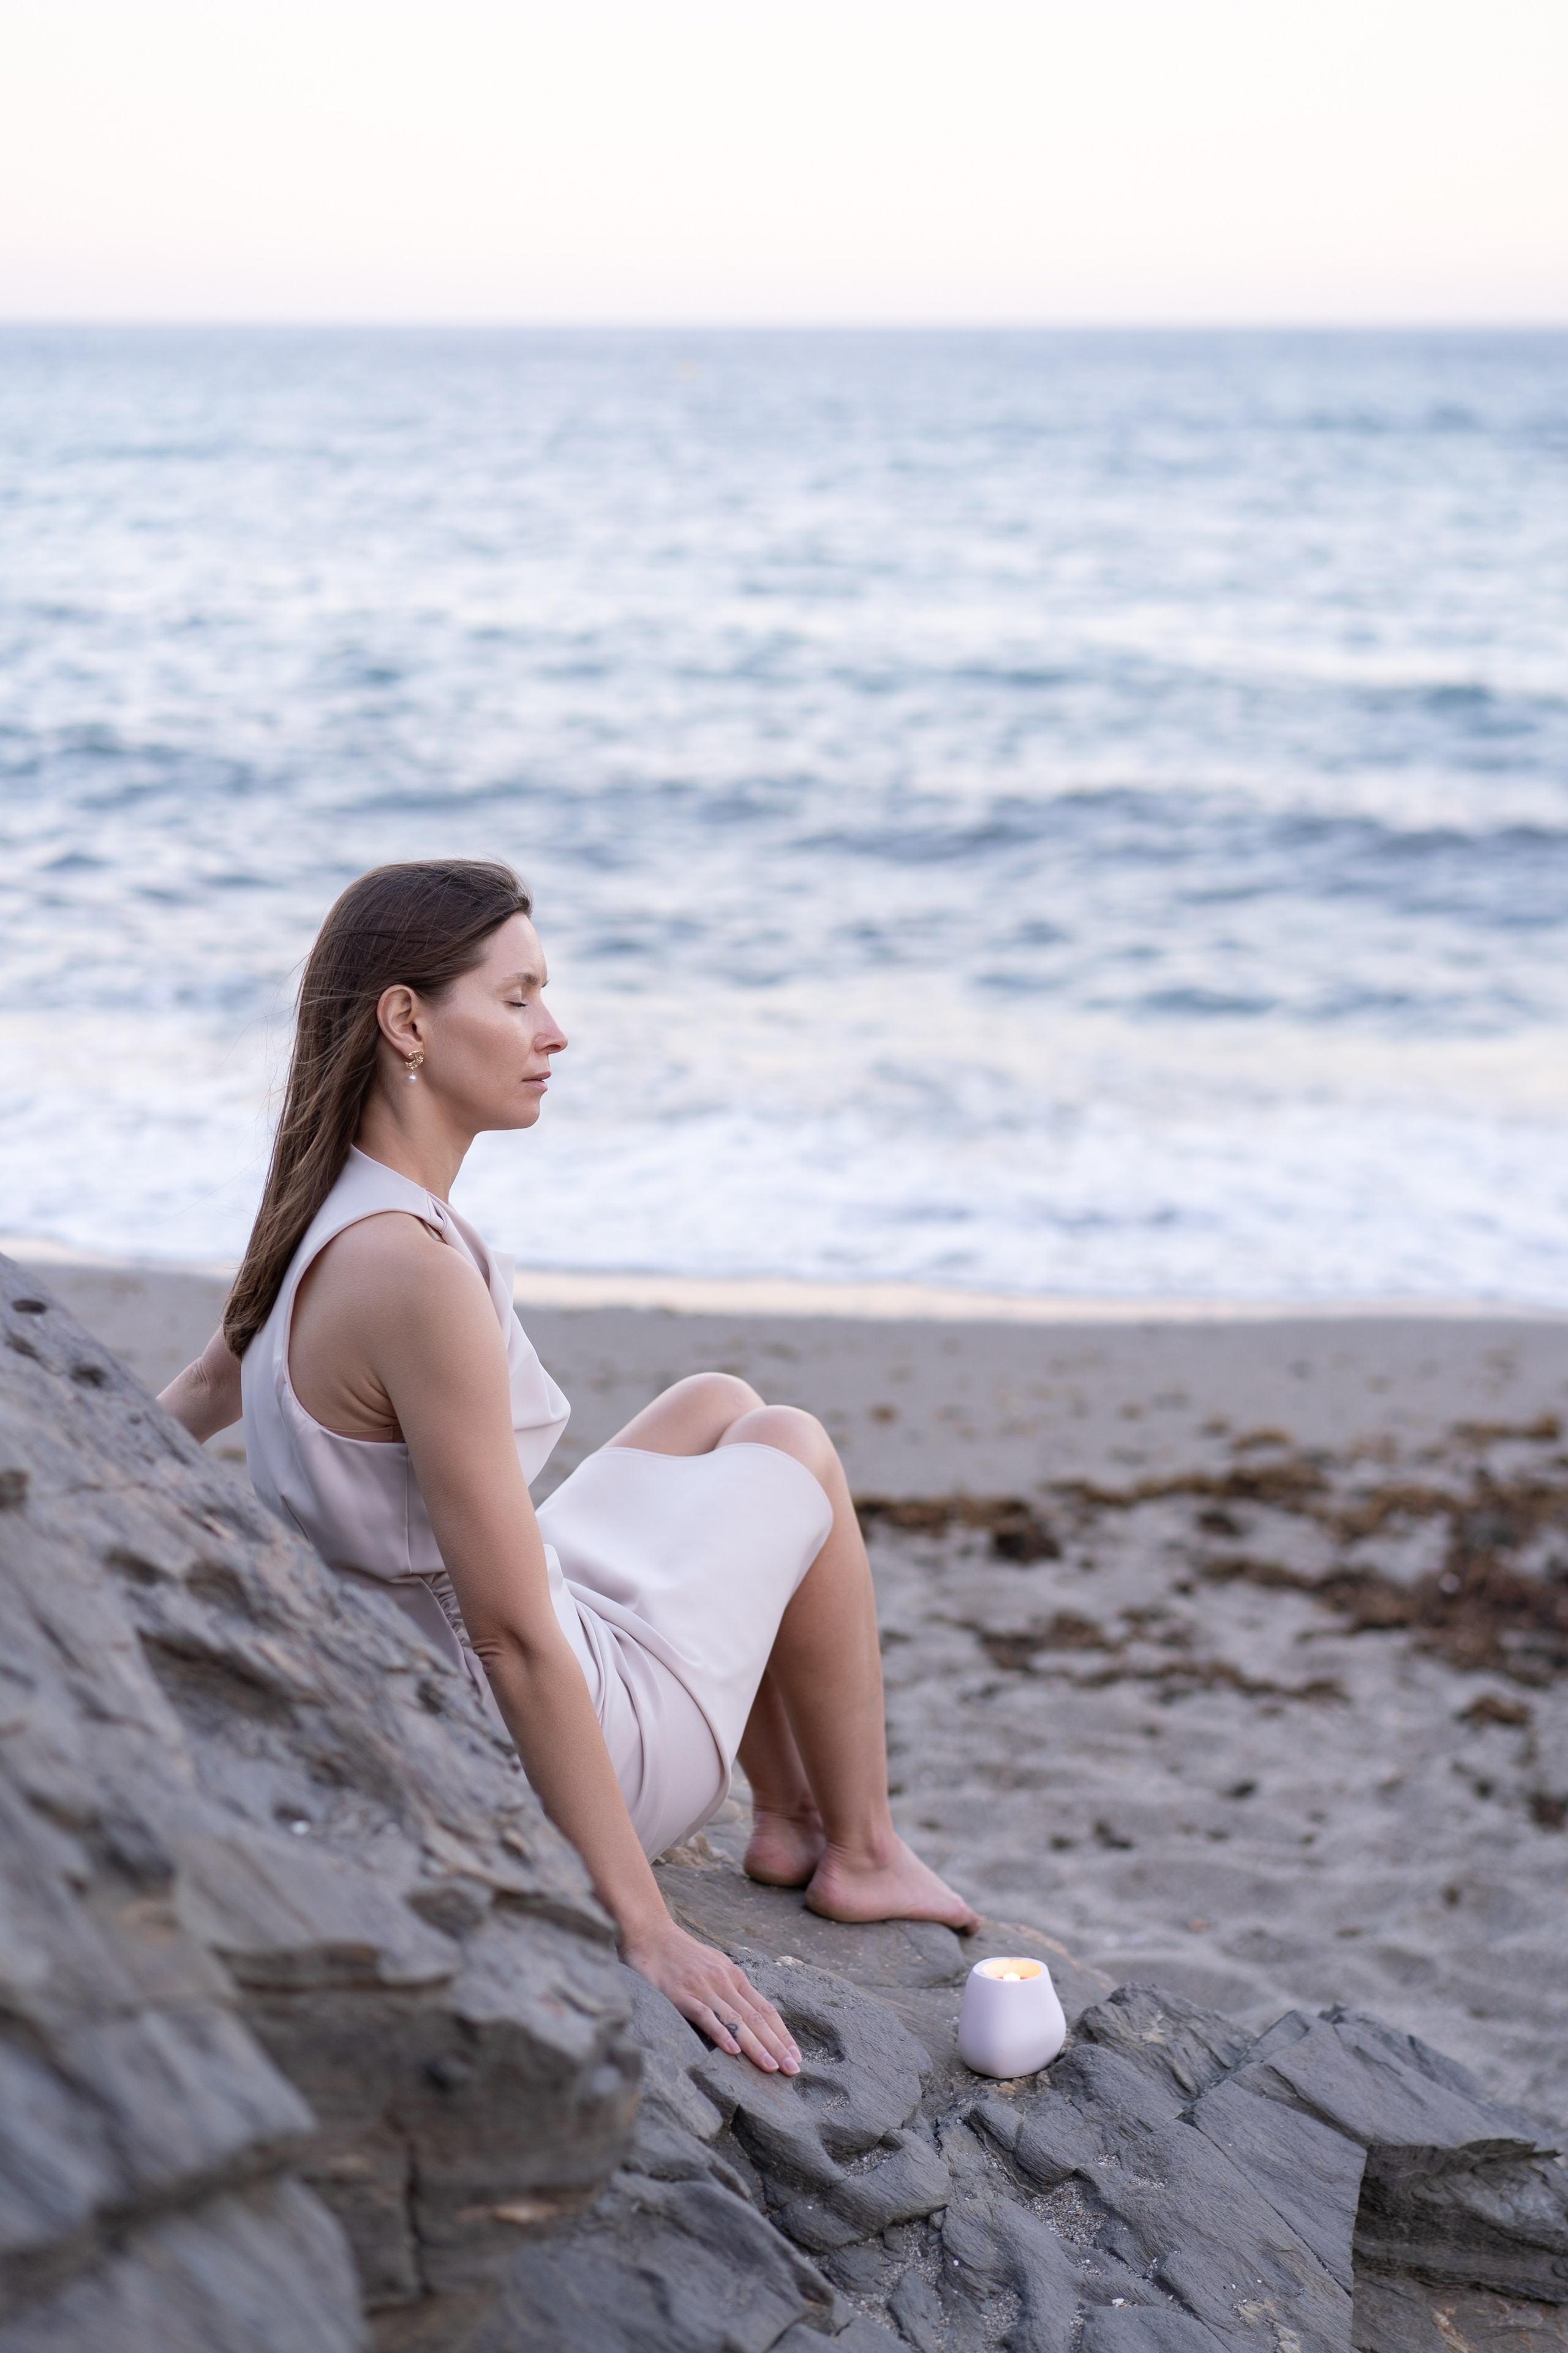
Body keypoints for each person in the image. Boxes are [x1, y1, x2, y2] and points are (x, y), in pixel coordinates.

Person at [160, 858, 976, 2076]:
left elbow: (195, 1398)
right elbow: (510, 1635)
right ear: (407, 1021)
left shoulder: (323, 1206)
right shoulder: (412, 1272)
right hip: (521, 1736)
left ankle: (793, 1821)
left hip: (419, 1671)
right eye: (518, 997)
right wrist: (642, 1926)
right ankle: (855, 1847)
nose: (555, 1031)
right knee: (790, 1445)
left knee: (716, 1404)